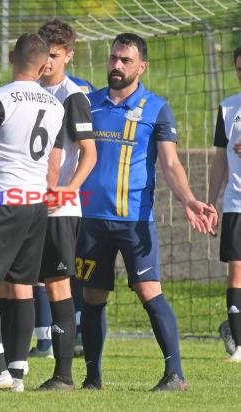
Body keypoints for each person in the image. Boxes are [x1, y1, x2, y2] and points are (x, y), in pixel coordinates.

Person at [77, 33, 217, 392]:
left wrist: (188, 199)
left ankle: (175, 375)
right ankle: (92, 379)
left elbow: (170, 164)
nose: (117, 65)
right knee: (92, 296)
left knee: (148, 289)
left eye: (125, 60)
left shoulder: (156, 107)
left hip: (135, 220)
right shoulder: (86, 103)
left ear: (142, 66)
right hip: (90, 220)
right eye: (113, 58)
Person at [0, 33, 65, 392]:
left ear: (10, 56)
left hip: (2, 200)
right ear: (43, 65)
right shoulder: (55, 105)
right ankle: (16, 374)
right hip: (36, 203)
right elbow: (54, 162)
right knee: (21, 286)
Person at [32, 19, 96, 391]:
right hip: (27, 206)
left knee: (58, 287)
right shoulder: (30, 91)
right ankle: (12, 368)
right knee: (19, 284)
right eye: (44, 54)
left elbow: (90, 153)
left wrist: (68, 189)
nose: (48, 62)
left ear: (68, 56)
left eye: (55, 55)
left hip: (60, 209)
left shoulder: (73, 97)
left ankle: (63, 376)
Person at [208, 45, 241, 362]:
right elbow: (220, 159)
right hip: (236, 205)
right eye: (239, 68)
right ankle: (239, 346)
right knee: (236, 272)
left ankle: (232, 326)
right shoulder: (229, 109)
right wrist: (211, 201)